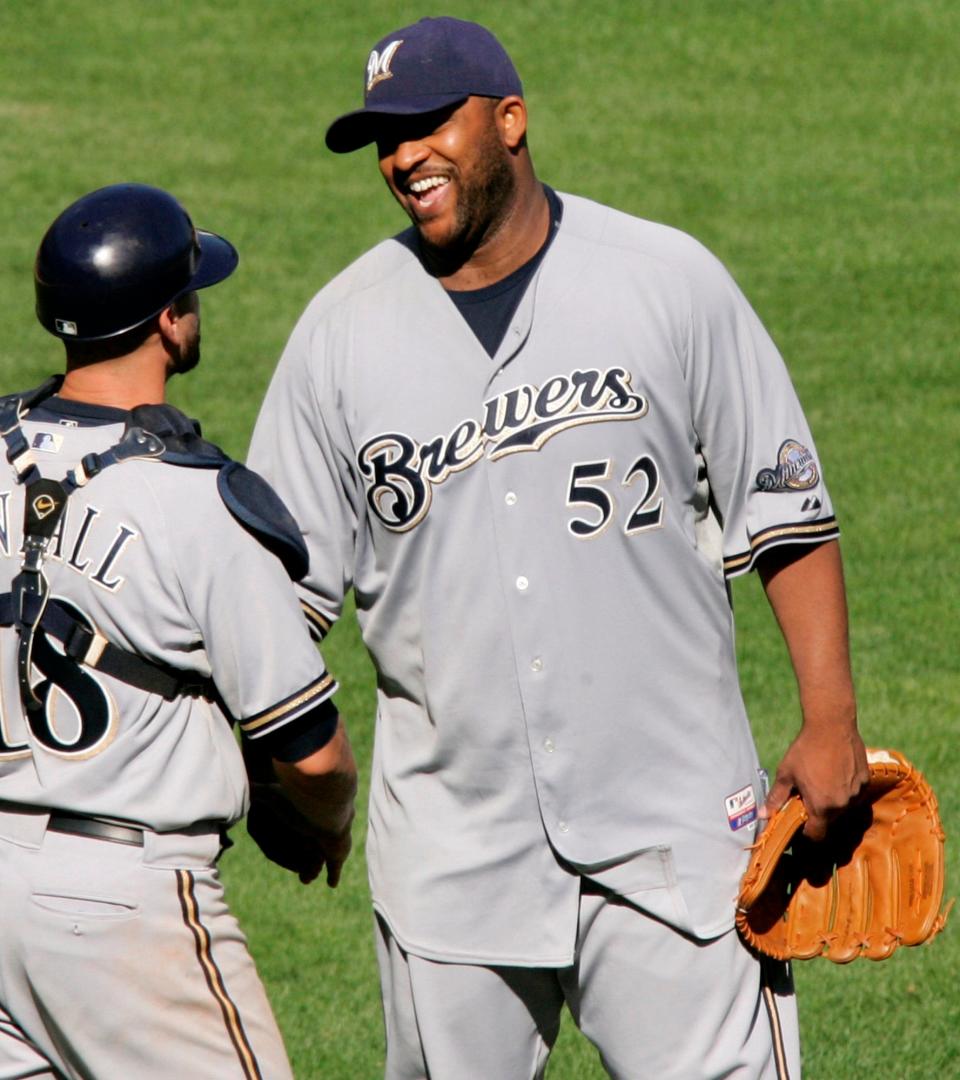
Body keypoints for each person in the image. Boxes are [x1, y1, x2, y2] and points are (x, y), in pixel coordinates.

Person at [249, 17, 868, 1079]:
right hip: (452, 851)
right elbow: (267, 603)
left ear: (511, 121)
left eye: (426, 125)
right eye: (383, 140)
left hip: (674, 827)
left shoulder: (667, 281)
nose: (403, 158)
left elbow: (786, 509)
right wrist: (286, 791)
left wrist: (831, 716)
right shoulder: (338, 336)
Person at [0, 183, 357, 1080]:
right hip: (120, 908)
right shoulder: (202, 506)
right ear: (169, 320)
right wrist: (329, 823)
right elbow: (312, 756)